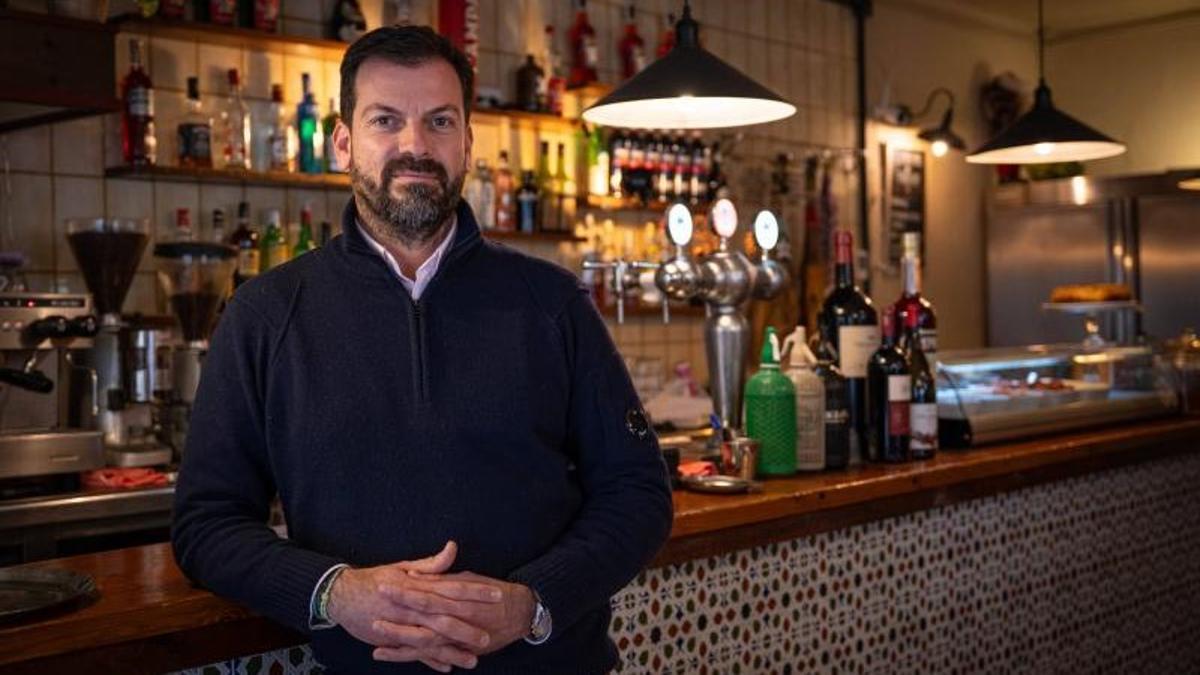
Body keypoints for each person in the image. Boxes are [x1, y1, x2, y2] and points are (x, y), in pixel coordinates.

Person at [171, 25, 674, 675]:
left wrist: (534, 601)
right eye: (386, 120)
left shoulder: (553, 302)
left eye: (439, 121)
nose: (415, 146)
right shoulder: (266, 314)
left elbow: (637, 492)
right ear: (344, 143)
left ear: (468, 140)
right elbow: (206, 523)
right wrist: (334, 591)